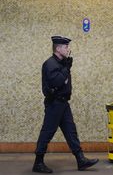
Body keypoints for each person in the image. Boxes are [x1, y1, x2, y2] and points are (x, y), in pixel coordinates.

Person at [33, 36, 99, 173]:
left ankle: (81, 160)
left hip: (63, 103)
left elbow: (63, 81)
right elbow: (57, 82)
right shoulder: (50, 64)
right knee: (47, 132)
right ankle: (38, 163)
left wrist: (65, 67)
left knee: (71, 131)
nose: (68, 49)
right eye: (65, 47)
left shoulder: (61, 63)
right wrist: (66, 69)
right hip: (54, 104)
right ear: (58, 49)